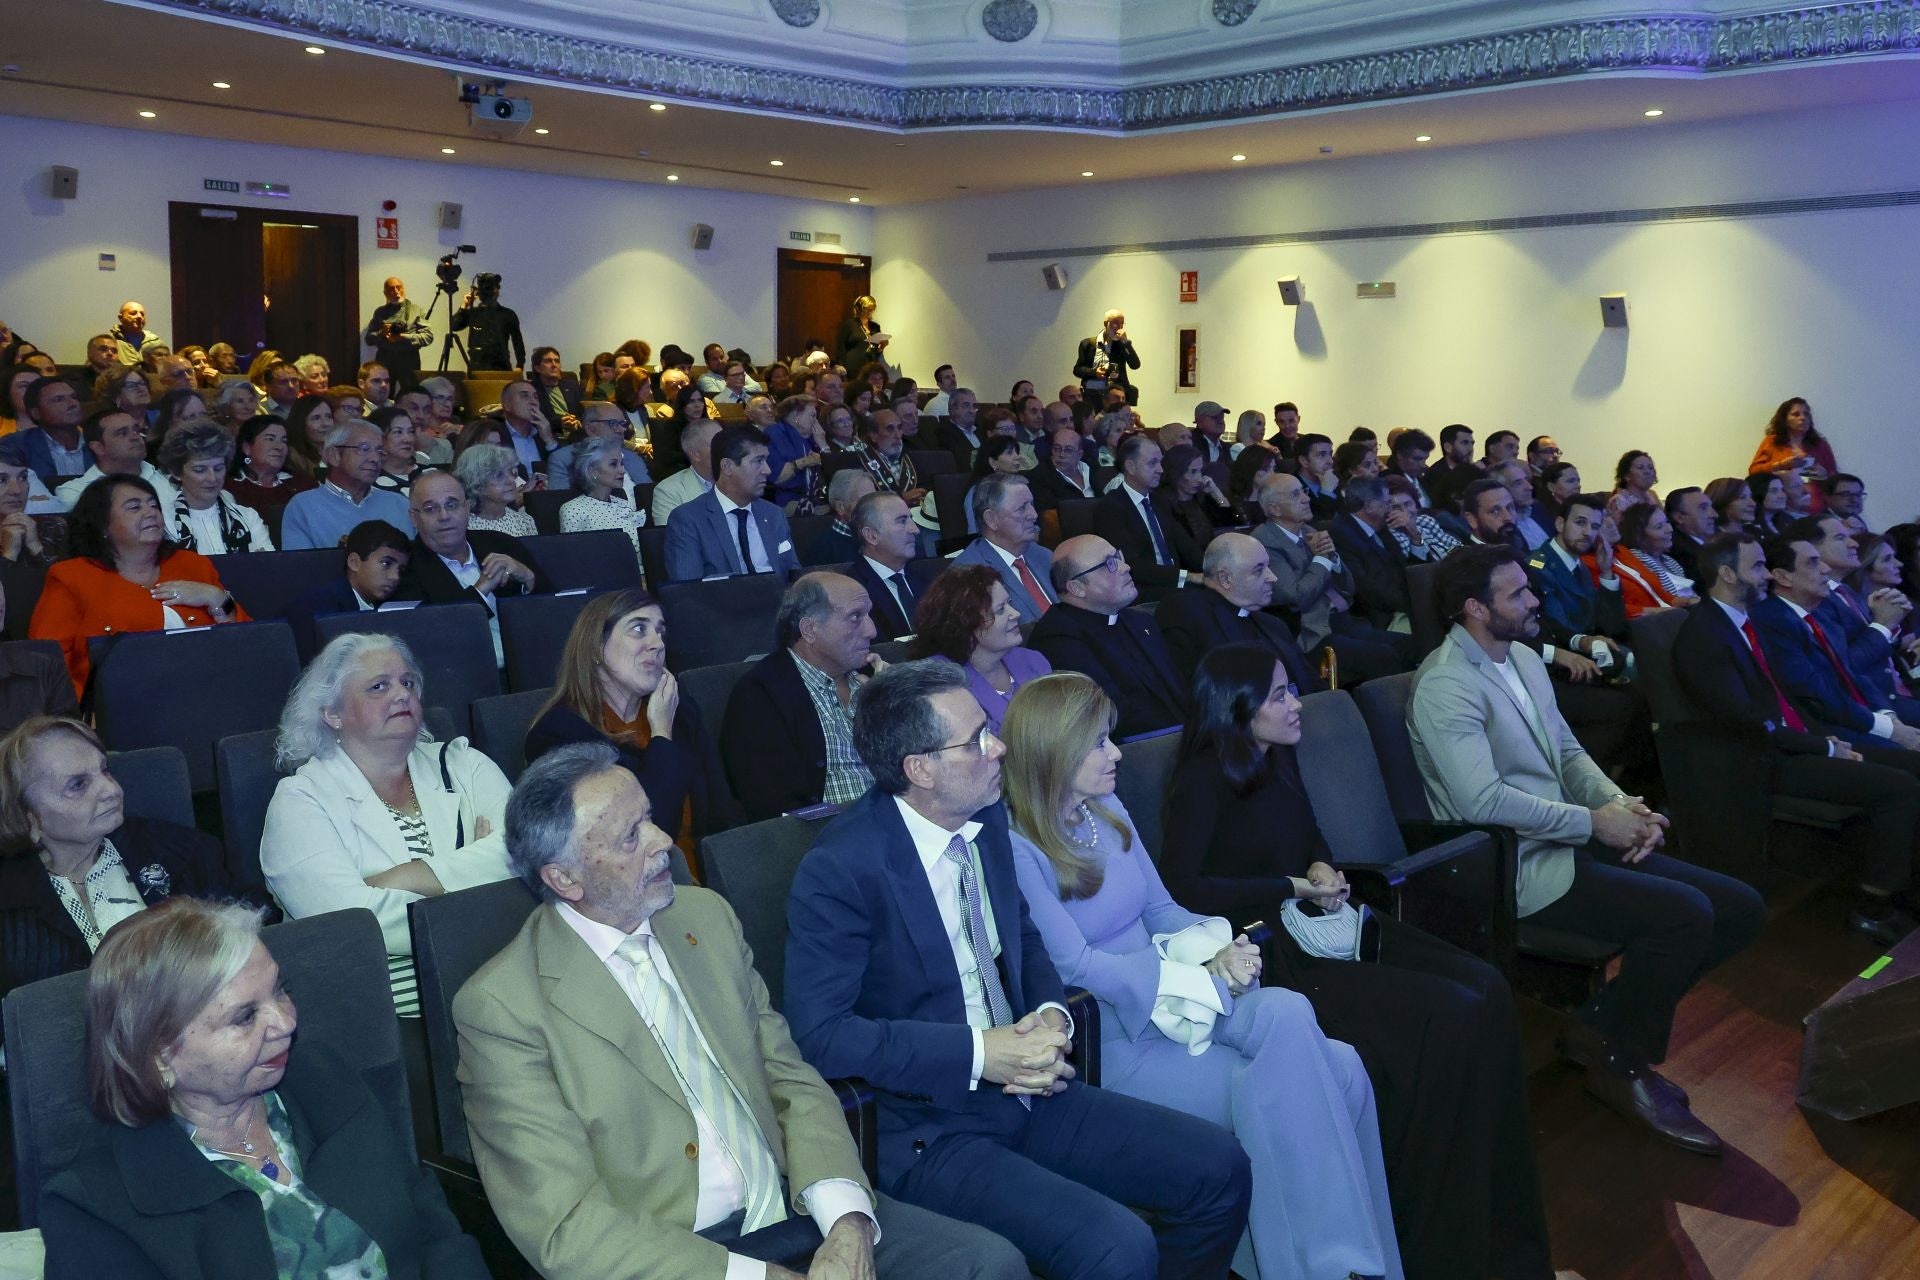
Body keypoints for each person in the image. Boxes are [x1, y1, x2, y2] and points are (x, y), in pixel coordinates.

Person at [452, 744, 1024, 1280]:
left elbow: (789, 1077)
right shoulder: (502, 1009)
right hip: (676, 1253)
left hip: (794, 1205)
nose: (663, 842)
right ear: (564, 878)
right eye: (631, 837)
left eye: (650, 818)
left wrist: (846, 1220)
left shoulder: (703, 917)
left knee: (988, 1264)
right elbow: (566, 1228)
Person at [783, 660, 1252, 1280]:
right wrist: (982, 1054)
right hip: (931, 1125)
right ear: (919, 769)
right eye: (977, 738)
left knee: (1218, 1167)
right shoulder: (842, 868)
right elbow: (822, 1035)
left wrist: (1053, 1015)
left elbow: (1024, 939)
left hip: (1032, 1087)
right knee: (1117, 1244)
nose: (999, 746)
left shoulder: (986, 819)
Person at [1162, 649, 1554, 1279]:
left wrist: (1320, 867)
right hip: (1272, 954)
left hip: (1321, 925)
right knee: (1446, 1018)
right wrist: (1294, 884)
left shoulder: (1277, 755)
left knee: (1487, 987)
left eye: (1293, 691)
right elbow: (1183, 889)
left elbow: (1310, 837)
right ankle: (1440, 1249)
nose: (1297, 704)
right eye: (1281, 695)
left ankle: (1506, 1244)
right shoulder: (1203, 779)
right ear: (1237, 707)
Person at [1007, 671, 1411, 1280]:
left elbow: (1164, 910)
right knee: (1341, 1074)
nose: (1117, 753)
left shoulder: (1106, 809)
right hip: (1117, 1035)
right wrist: (1190, 973)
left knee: (1292, 1014)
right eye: (1099, 743)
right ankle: (1336, 1267)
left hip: (1187, 997)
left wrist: (1224, 945)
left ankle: (1330, 1264)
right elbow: (1075, 967)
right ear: (1053, 752)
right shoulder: (1018, 846)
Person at [1410, 544, 1764, 1154]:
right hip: (1512, 864)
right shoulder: (1444, 687)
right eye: (1517, 593)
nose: (1534, 599)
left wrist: (1626, 807)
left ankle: (1598, 1027)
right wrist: (1595, 824)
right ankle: (1620, 1063)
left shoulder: (1519, 656)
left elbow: (1568, 755)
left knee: (1741, 908)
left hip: (1569, 833)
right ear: (1474, 608)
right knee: (1685, 915)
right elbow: (1483, 804)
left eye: (1529, 587)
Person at [38, 898, 488, 1279]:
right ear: (157, 1056)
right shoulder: (93, 1208)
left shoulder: (321, 1077)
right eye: (244, 1016)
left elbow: (430, 1223)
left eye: (279, 990)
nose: (287, 1023)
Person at [1675, 533, 1920, 945]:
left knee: (1913, 766)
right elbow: (1747, 723)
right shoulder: (1706, 635)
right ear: (1727, 573)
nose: (1766, 575)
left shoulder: (1748, 620)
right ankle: (1872, 905)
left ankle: (1907, 888)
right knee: (1900, 788)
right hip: (1760, 760)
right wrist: (1825, 746)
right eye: (1756, 567)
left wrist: (1828, 738)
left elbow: (1796, 697)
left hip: (1796, 741)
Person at [261, 632, 514, 1020]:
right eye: (379, 686)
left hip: (498, 989)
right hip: (382, 1017)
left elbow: (524, 857)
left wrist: (413, 875)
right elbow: (352, 925)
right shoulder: (300, 801)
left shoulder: (465, 763)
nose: (401, 695)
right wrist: (476, 880)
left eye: (408, 682)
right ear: (333, 713)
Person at [0, 716, 252, 1003]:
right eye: (78, 785)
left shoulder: (181, 851)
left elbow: (258, 922)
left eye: (105, 771)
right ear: (27, 817)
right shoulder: (8, 900)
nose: (112, 790)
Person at [523, 590, 731, 847]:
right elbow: (646, 834)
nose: (658, 643)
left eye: (660, 632)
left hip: (703, 876)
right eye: (639, 629)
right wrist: (661, 733)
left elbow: (724, 815)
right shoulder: (560, 735)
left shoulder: (681, 711)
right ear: (597, 647)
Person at [30, 476, 249, 697]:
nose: (150, 512)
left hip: (212, 693)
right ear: (102, 525)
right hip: (116, 708)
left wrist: (216, 598)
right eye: (134, 507)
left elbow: (249, 640)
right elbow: (48, 661)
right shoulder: (71, 577)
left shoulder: (193, 564)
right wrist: (87, 714)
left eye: (154, 505)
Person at [720, 572, 881, 820]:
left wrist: (898, 700)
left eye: (869, 614)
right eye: (855, 617)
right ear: (809, 629)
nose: (872, 630)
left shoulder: (877, 677)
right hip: (833, 838)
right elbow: (773, 807)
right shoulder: (760, 697)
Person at [1029, 535, 1189, 739]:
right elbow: (1112, 715)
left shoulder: (1140, 621)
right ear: (1077, 588)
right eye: (1109, 564)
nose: (1125, 567)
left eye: (1119, 557)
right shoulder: (1058, 638)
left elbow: (1178, 687)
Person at [406, 470, 549, 663]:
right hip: (463, 678)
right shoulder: (405, 567)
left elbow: (554, 608)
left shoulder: (502, 544)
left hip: (531, 660)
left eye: (452, 504)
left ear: (466, 508)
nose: (444, 516)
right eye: (431, 508)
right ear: (414, 518)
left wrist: (529, 580)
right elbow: (432, 635)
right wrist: (481, 588)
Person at [907, 564, 1051, 735]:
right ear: (966, 622)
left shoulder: (1033, 661)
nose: (1016, 614)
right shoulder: (941, 682)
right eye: (1001, 609)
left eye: (1009, 603)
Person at [664, 423, 800, 582]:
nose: (767, 470)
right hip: (722, 605)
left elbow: (794, 576)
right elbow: (688, 590)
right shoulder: (688, 520)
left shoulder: (773, 514)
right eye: (758, 461)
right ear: (727, 467)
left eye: (766, 460)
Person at [1093, 434, 1204, 603]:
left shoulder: (1159, 500)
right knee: (1197, 599)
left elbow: (1185, 545)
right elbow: (1132, 564)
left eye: (1160, 462)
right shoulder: (1111, 507)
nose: (1161, 469)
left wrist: (1214, 569)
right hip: (1141, 587)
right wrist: (1187, 577)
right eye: (1152, 463)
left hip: (1173, 581)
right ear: (1130, 467)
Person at [280, 420, 415, 550]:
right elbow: (301, 568)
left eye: (380, 451)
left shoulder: (400, 504)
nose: (375, 459)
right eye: (364, 448)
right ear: (334, 455)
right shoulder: (303, 506)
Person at [283, 519, 412, 654]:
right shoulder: (314, 608)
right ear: (354, 562)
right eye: (386, 563)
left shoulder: (390, 607)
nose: (395, 577)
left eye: (401, 570)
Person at [950, 473, 1056, 624]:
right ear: (991, 519)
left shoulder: (1043, 555)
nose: (1033, 515)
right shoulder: (969, 574)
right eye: (1021, 508)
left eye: (1032, 505)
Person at [158, 420, 274, 554]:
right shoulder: (164, 521)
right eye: (200, 470)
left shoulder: (248, 516)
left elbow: (267, 568)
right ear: (176, 472)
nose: (212, 478)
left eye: (218, 468)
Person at [847, 492, 941, 641]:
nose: (915, 529)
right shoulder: (852, 592)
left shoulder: (928, 578)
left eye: (911, 519)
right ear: (872, 536)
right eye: (902, 521)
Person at [1328, 475, 1415, 630]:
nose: (1390, 508)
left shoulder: (1380, 527)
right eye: (1387, 502)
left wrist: (1415, 537)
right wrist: (1413, 604)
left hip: (1405, 606)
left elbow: (1406, 569)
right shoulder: (1341, 535)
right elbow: (1365, 589)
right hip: (1381, 618)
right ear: (1368, 505)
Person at [53, 409, 180, 512]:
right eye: (122, 433)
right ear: (98, 447)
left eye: (136, 430)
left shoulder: (170, 479)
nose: (135, 437)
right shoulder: (76, 492)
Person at [557, 436, 647, 554]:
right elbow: (573, 558)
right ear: (592, 471)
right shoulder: (572, 510)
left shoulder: (624, 504)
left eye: (622, 463)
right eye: (613, 464)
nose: (622, 470)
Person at [1608, 502, 1696, 616]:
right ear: (1640, 536)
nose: (1669, 529)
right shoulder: (1636, 560)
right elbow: (1665, 600)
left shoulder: (1669, 561)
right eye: (1659, 527)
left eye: (1667, 522)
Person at [223, 414, 315, 513]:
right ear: (247, 448)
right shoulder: (228, 486)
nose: (279, 447)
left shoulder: (303, 483)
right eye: (270, 439)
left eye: (284, 441)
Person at [453, 442, 539, 537]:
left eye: (511, 472)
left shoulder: (525, 521)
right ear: (477, 483)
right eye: (499, 475)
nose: (511, 480)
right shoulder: (463, 526)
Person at [1749, 396, 1837, 484]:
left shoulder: (1820, 445)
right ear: (1785, 420)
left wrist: (1824, 474)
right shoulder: (1772, 442)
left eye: (1806, 414)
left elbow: (1835, 478)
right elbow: (1753, 471)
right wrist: (1781, 465)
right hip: (1782, 495)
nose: (1803, 418)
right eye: (1796, 414)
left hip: (1815, 495)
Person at [649, 417, 719, 525]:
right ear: (696, 454)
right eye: (717, 443)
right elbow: (675, 538)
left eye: (727, 441)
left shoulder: (742, 481)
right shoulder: (668, 491)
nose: (726, 448)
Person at [449, 272, 525, 371]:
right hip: (477, 365)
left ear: (498, 290)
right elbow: (454, 326)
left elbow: (518, 342)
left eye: (492, 288)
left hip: (501, 366)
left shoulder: (508, 314)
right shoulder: (473, 313)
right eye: (486, 289)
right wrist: (464, 306)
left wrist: (520, 366)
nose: (490, 292)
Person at [363, 275, 433, 379]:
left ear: (403, 289)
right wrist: (381, 333)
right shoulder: (380, 312)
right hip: (385, 358)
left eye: (398, 287)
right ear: (385, 293)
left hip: (409, 358)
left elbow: (428, 337)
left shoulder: (416, 310)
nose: (396, 291)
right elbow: (368, 339)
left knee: (411, 392)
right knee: (384, 391)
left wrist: (404, 336)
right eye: (391, 288)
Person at [765, 394, 825, 512]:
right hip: (790, 501)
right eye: (812, 416)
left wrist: (823, 445)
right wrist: (807, 461)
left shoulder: (813, 438)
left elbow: (831, 472)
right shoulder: (775, 434)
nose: (816, 421)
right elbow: (777, 477)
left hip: (818, 497)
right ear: (796, 417)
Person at [806, 467, 876, 564]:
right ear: (840, 508)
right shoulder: (822, 548)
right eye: (864, 500)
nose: (874, 506)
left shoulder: (882, 537)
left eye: (875, 499)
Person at [1073, 308, 1140, 406]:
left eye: (1122, 323)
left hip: (1115, 396)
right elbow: (1078, 370)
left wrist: (1125, 342)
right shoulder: (1087, 344)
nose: (1119, 327)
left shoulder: (1122, 345)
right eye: (1115, 323)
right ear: (1106, 324)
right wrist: (1095, 372)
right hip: (1092, 394)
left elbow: (1135, 365)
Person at [1027, 426, 1098, 511]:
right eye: (1057, 448)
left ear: (1080, 454)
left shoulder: (1092, 468)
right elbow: (1049, 512)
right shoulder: (1040, 475)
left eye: (1068, 450)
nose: (1061, 454)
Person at [1422, 423, 1483, 514]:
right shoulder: (1435, 474)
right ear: (1448, 447)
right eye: (1465, 443)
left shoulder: (1474, 471)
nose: (1471, 449)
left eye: (1472, 443)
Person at [1665, 485, 1719, 581]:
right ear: (1679, 518)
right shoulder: (1680, 554)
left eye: (1711, 507)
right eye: (1703, 508)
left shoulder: (1712, 544)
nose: (1714, 514)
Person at [108, 300, 164, 367]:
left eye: (142, 314)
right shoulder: (110, 342)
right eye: (133, 313)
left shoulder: (156, 343)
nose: (139, 317)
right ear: (120, 318)